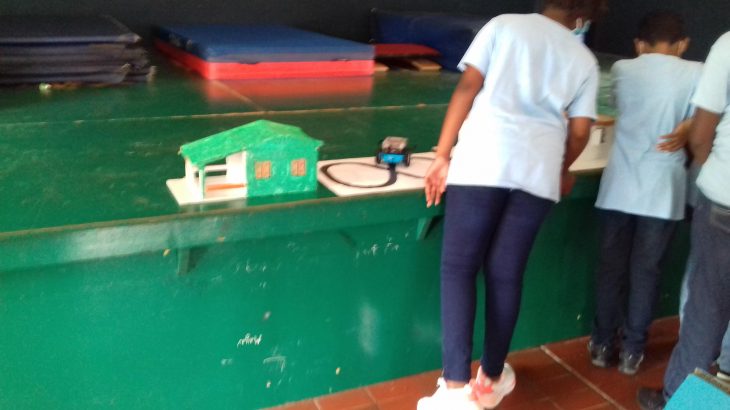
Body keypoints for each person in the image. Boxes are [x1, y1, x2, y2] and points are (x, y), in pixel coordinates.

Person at [417, 1, 604, 408]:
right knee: (506, 274)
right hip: (537, 172)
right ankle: (490, 379)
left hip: (483, 159)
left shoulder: (503, 26)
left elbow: (467, 87)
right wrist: (561, 168)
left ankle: (455, 390)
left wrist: (442, 155)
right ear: (584, 13)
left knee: (459, 269)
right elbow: (579, 133)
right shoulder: (584, 60)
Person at [588, 11, 702, 376]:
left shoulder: (623, 69)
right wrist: (688, 124)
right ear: (683, 44)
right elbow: (706, 118)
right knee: (646, 273)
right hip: (663, 190)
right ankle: (633, 351)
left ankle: (601, 344)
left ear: (639, 44)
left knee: (611, 270)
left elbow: (622, 106)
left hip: (619, 186)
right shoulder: (697, 72)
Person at [637, 31, 730, 409]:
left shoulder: (728, 45)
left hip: (725, 203)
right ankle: (723, 383)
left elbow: (700, 135)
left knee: (705, 311)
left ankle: (682, 399)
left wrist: (715, 174)